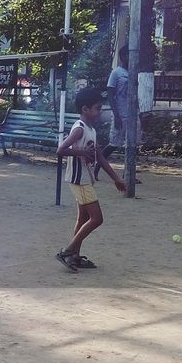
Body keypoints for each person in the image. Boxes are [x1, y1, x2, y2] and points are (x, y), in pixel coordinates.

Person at [56, 85, 127, 272]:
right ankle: (67, 252)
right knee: (97, 219)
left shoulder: (91, 130)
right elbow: (61, 150)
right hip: (79, 180)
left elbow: (100, 158)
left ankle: (75, 257)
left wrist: (116, 179)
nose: (100, 111)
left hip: (84, 179)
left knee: (83, 218)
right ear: (85, 110)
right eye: (97, 107)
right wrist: (81, 151)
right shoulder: (79, 129)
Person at [94, 44, 141, 179]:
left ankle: (128, 173)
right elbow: (110, 94)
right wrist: (116, 115)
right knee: (114, 143)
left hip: (132, 113)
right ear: (123, 56)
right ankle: (98, 166)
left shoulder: (133, 72)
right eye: (129, 55)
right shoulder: (116, 73)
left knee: (132, 144)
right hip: (120, 113)